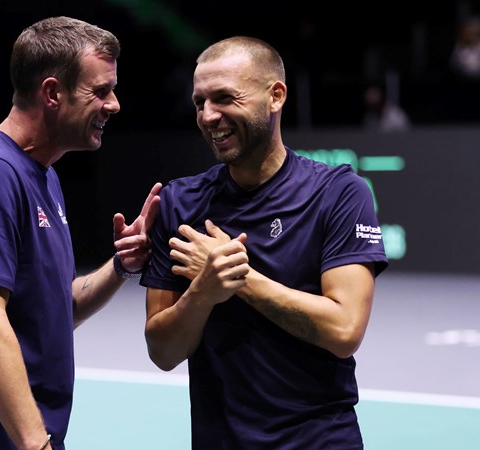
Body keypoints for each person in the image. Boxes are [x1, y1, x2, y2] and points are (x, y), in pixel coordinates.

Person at [0, 16, 161, 450]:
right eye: (100, 91)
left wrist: (122, 265)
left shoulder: (41, 176)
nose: (115, 104)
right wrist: (37, 445)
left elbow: (56, 310)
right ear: (52, 93)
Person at [141, 36, 389, 449]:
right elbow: (163, 352)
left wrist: (237, 278)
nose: (208, 116)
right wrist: (203, 291)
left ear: (275, 96)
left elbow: (344, 330)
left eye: (224, 98)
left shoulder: (339, 193)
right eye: (199, 102)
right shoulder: (179, 202)